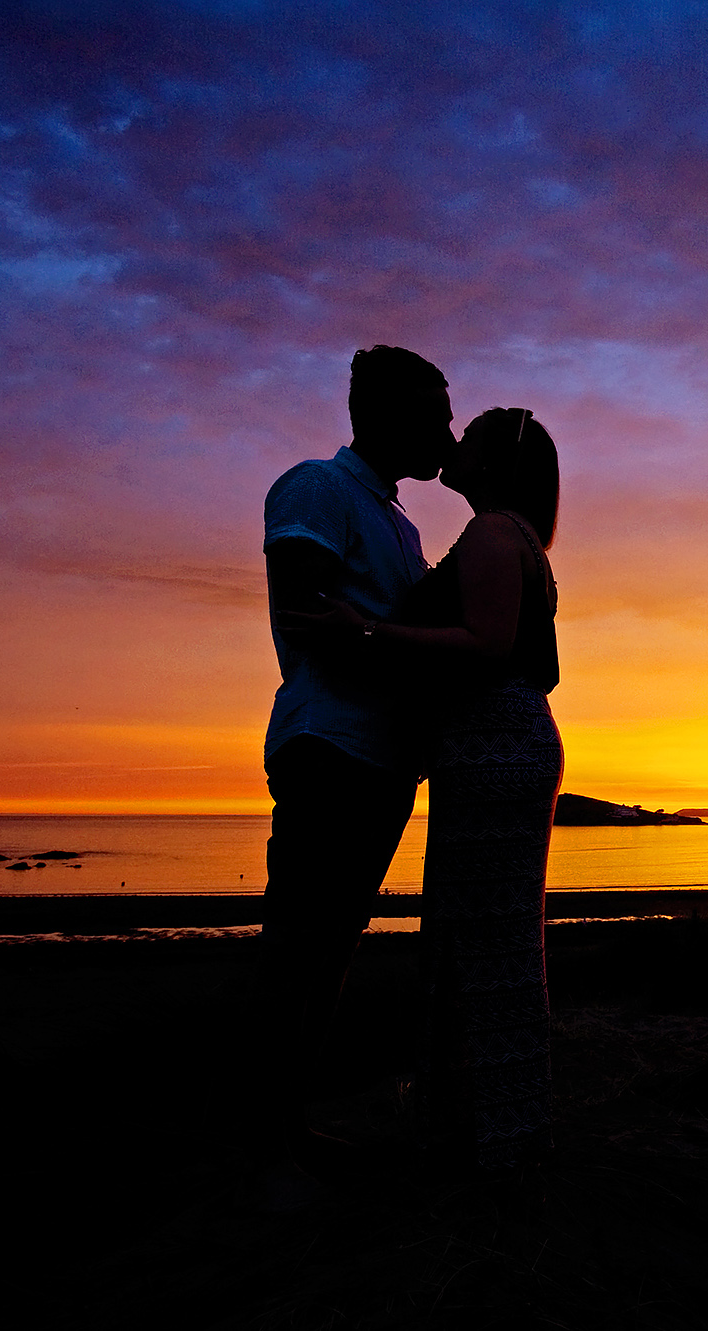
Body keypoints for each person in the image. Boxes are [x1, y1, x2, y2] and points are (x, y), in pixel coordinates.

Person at [286, 406, 563, 1170]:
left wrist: (362, 630)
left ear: (496, 462)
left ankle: (495, 1133)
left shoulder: (493, 534)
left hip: (492, 742)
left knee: (483, 940)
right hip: (492, 743)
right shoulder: (515, 536)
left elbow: (486, 645)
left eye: (467, 435)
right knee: (483, 936)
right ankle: (485, 1122)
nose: (453, 443)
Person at [256, 345, 453, 1184]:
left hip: (381, 762)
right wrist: (394, 644)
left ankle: (285, 1121)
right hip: (330, 746)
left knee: (333, 944)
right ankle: (266, 1134)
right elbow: (307, 615)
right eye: (434, 412)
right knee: (302, 941)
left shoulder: (401, 525)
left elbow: (369, 626)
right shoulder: (317, 487)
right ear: (384, 414)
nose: (446, 429)